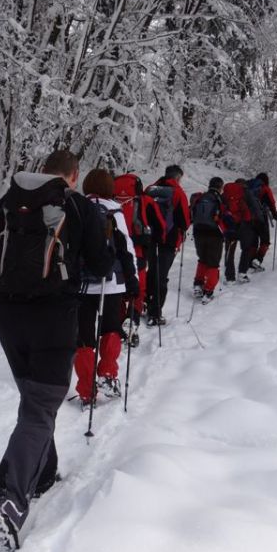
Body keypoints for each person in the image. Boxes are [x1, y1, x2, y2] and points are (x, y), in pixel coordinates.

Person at [0, 149, 114, 552]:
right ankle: (8, 500)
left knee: (35, 401)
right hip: (54, 321)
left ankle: (42, 472)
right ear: (73, 175)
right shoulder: (77, 207)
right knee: (40, 407)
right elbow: (101, 264)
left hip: (9, 319)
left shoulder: (10, 203)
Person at [74, 169, 139, 404]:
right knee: (110, 327)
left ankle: (86, 390)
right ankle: (108, 374)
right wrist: (133, 281)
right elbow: (125, 249)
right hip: (111, 283)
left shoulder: (76, 208)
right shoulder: (115, 211)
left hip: (79, 285)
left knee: (83, 337)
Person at [113, 172, 166, 346]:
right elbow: (160, 225)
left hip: (114, 253)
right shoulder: (144, 201)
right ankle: (132, 321)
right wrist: (158, 240)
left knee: (119, 289)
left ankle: (119, 324)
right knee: (138, 289)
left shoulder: (111, 200)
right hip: (138, 252)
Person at [144, 164, 191, 326]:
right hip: (168, 240)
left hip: (150, 238)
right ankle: (155, 313)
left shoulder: (150, 189)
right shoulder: (178, 193)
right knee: (161, 275)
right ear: (178, 177)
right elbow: (185, 221)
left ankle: (145, 303)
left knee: (151, 271)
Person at [190, 177, 226, 303]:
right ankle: (208, 291)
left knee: (203, 260)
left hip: (198, 232)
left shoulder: (200, 197)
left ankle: (198, 285)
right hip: (214, 234)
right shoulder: (220, 199)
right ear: (220, 187)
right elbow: (225, 217)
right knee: (213, 263)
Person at [221, 178, 260, 283]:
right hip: (245, 226)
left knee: (229, 251)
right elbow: (255, 208)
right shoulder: (246, 193)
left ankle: (230, 277)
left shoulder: (225, 193)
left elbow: (220, 208)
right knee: (246, 249)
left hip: (229, 227)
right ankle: (242, 273)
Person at [247, 172, 277, 271]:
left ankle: (250, 261)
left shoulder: (248, 187)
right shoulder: (265, 188)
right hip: (261, 217)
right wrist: (275, 214)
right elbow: (271, 202)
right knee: (265, 240)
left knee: (253, 241)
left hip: (249, 218)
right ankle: (257, 260)